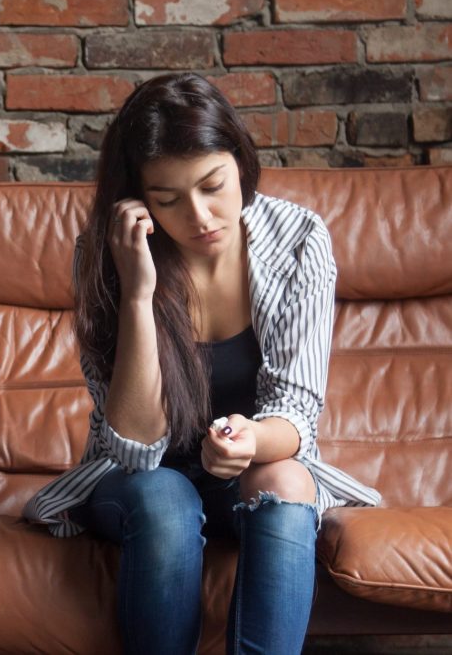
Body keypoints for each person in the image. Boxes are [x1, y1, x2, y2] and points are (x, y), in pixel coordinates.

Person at [25, 74, 380, 655]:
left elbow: (296, 416)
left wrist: (250, 440)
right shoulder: (107, 251)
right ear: (138, 199)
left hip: (249, 469)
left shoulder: (298, 240)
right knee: (166, 497)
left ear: (240, 161)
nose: (200, 216)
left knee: (286, 481)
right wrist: (138, 292)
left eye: (213, 186)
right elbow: (135, 449)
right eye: (167, 200)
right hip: (138, 483)